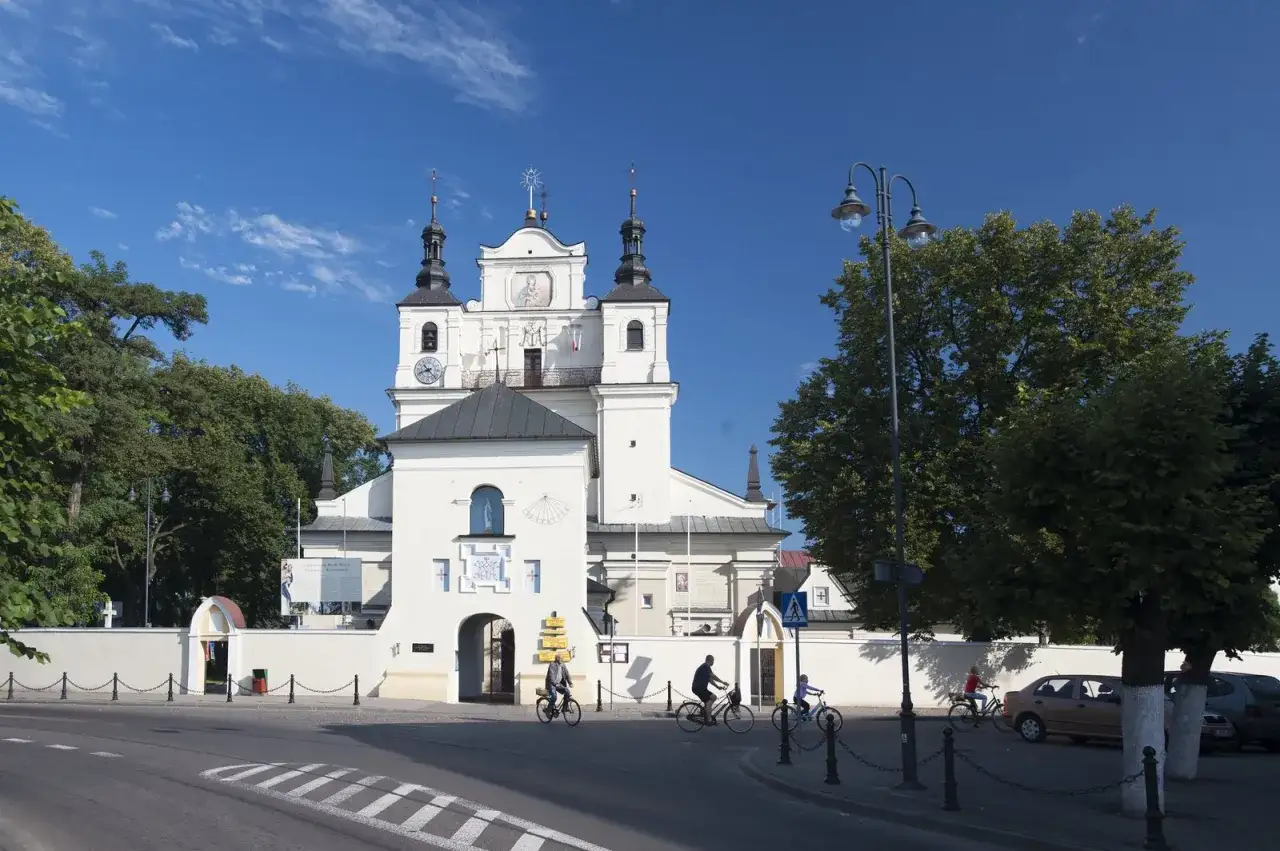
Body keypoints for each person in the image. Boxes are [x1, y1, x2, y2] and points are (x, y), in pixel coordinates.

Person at [691, 654, 729, 725]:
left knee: (714, 697)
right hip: (698, 688)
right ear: (710, 660)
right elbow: (713, 676)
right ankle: (709, 720)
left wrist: (718, 687)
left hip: (701, 688)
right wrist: (722, 682)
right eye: (713, 661)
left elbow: (710, 679)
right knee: (708, 702)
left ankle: (705, 711)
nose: (713, 662)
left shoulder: (705, 667)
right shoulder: (705, 666)